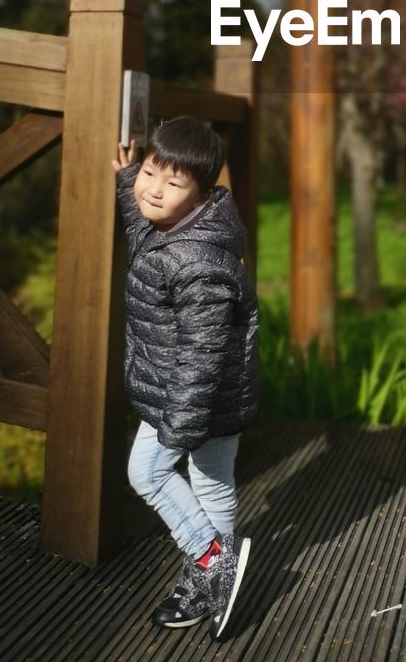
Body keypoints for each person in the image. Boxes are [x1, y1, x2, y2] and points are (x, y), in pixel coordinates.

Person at [112, 116, 259, 638]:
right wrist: (126, 176)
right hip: (176, 392)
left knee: (186, 478)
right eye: (151, 171)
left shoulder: (200, 262)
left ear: (200, 196)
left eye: (172, 183)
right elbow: (140, 218)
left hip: (203, 397)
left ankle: (211, 565)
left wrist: (183, 422)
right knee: (175, 478)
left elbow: (203, 351)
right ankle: (216, 566)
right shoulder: (169, 226)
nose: (153, 189)